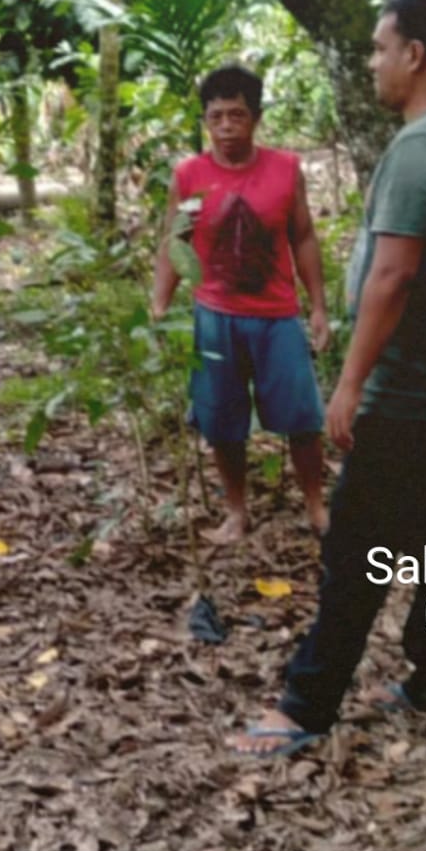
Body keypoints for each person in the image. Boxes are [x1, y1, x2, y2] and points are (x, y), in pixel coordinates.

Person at [229, 0, 426, 756]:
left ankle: (307, 705)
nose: (374, 63)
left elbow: (392, 276)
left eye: (381, 49)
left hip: (412, 383)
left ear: (415, 54)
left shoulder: (423, 146)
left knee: (358, 546)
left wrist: (349, 384)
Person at [152, 64, 333, 542]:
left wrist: (318, 306)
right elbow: (175, 240)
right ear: (205, 121)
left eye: (237, 115)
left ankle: (316, 506)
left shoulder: (285, 169)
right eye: (216, 117)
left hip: (277, 316)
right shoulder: (189, 175)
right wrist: (159, 306)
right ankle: (237, 511)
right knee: (221, 418)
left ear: (255, 118)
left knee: (302, 417)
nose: (227, 127)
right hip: (215, 315)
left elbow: (304, 236)